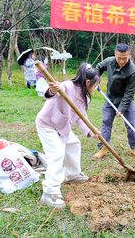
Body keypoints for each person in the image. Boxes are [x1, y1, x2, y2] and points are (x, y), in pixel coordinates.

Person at [36, 63, 101, 208]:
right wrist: (53, 89)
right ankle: (50, 192)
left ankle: (72, 175)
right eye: (95, 86)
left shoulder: (85, 98)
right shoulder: (67, 86)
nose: (95, 89)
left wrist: (92, 131)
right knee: (57, 154)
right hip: (47, 124)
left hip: (63, 127)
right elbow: (52, 90)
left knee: (74, 144)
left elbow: (81, 118)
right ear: (88, 82)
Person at [92, 43, 135, 159]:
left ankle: (134, 148)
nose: (121, 61)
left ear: (129, 55)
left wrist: (122, 108)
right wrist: (95, 79)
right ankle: (103, 148)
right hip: (110, 98)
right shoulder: (109, 61)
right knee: (106, 122)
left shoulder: (133, 71)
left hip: (126, 100)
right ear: (115, 54)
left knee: (131, 125)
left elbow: (129, 93)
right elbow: (98, 68)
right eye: (119, 57)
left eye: (124, 58)